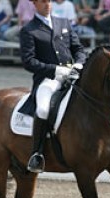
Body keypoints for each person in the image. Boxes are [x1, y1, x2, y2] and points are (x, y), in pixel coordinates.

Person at [19, 0, 86, 173]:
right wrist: (55, 70)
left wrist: (78, 65)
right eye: (42, 1)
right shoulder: (29, 30)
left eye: (49, 1)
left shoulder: (63, 23)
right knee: (42, 110)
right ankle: (37, 154)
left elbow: (78, 49)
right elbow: (29, 61)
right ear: (34, 3)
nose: (47, 4)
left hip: (73, 75)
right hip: (48, 80)